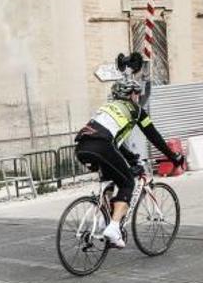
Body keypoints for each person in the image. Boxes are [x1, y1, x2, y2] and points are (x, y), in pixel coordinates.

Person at [74, 79, 184, 248]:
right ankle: (113, 227)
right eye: (137, 94)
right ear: (131, 95)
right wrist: (172, 156)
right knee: (127, 183)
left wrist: (131, 157)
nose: (139, 97)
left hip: (82, 147)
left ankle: (106, 221)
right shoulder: (137, 111)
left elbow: (114, 140)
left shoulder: (106, 107)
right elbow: (153, 136)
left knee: (110, 179)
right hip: (102, 146)